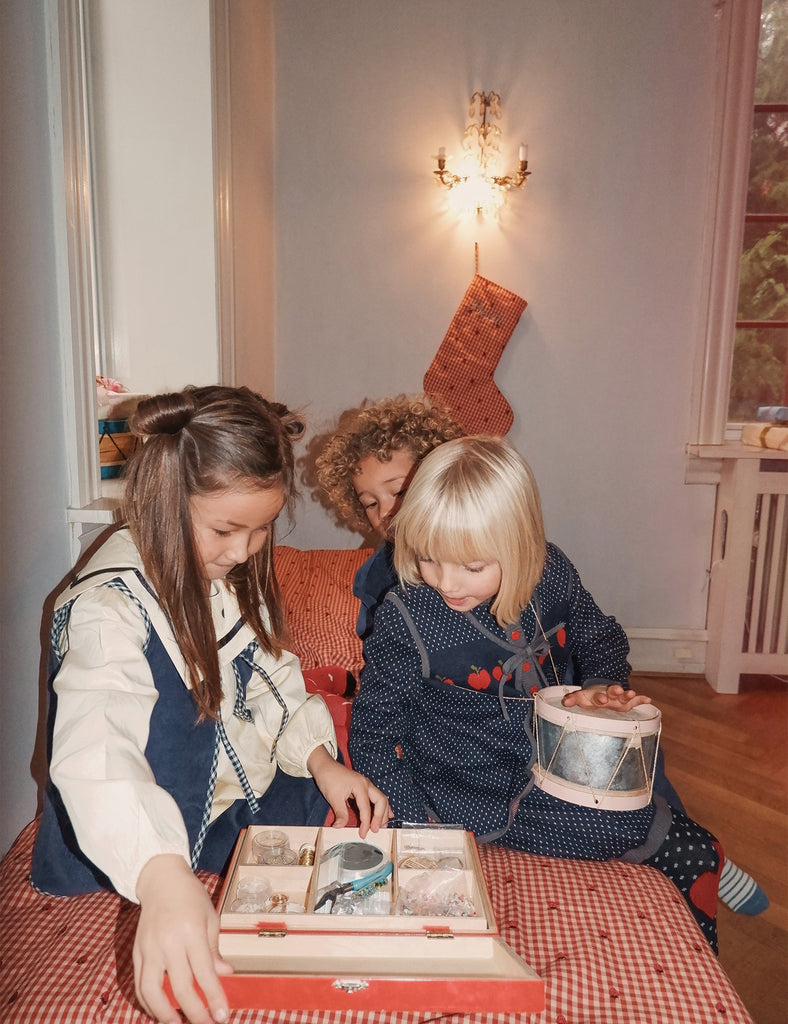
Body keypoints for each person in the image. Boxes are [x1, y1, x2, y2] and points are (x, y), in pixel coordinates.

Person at [320, 399, 768, 921]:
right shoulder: (405, 615)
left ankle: (696, 849)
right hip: (468, 788)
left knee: (653, 806)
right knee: (644, 833)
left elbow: (601, 639)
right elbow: (375, 735)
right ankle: (688, 845)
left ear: (521, 546)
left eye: (471, 565)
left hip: (561, 757)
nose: (445, 581)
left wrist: (601, 689)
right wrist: (414, 833)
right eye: (427, 557)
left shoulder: (552, 572)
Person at [31, 385, 392, 1024]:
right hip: (150, 825)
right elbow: (98, 746)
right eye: (227, 530)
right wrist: (163, 877)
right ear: (164, 500)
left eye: (260, 531)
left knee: (358, 814)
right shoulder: (107, 607)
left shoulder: (229, 570)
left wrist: (321, 760)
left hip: (229, 793)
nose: (244, 551)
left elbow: (277, 675)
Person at [316, 393, 465, 641]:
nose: (385, 512)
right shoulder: (376, 577)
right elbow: (377, 649)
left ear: (440, 478)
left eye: (399, 492)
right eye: (371, 503)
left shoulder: (482, 543)